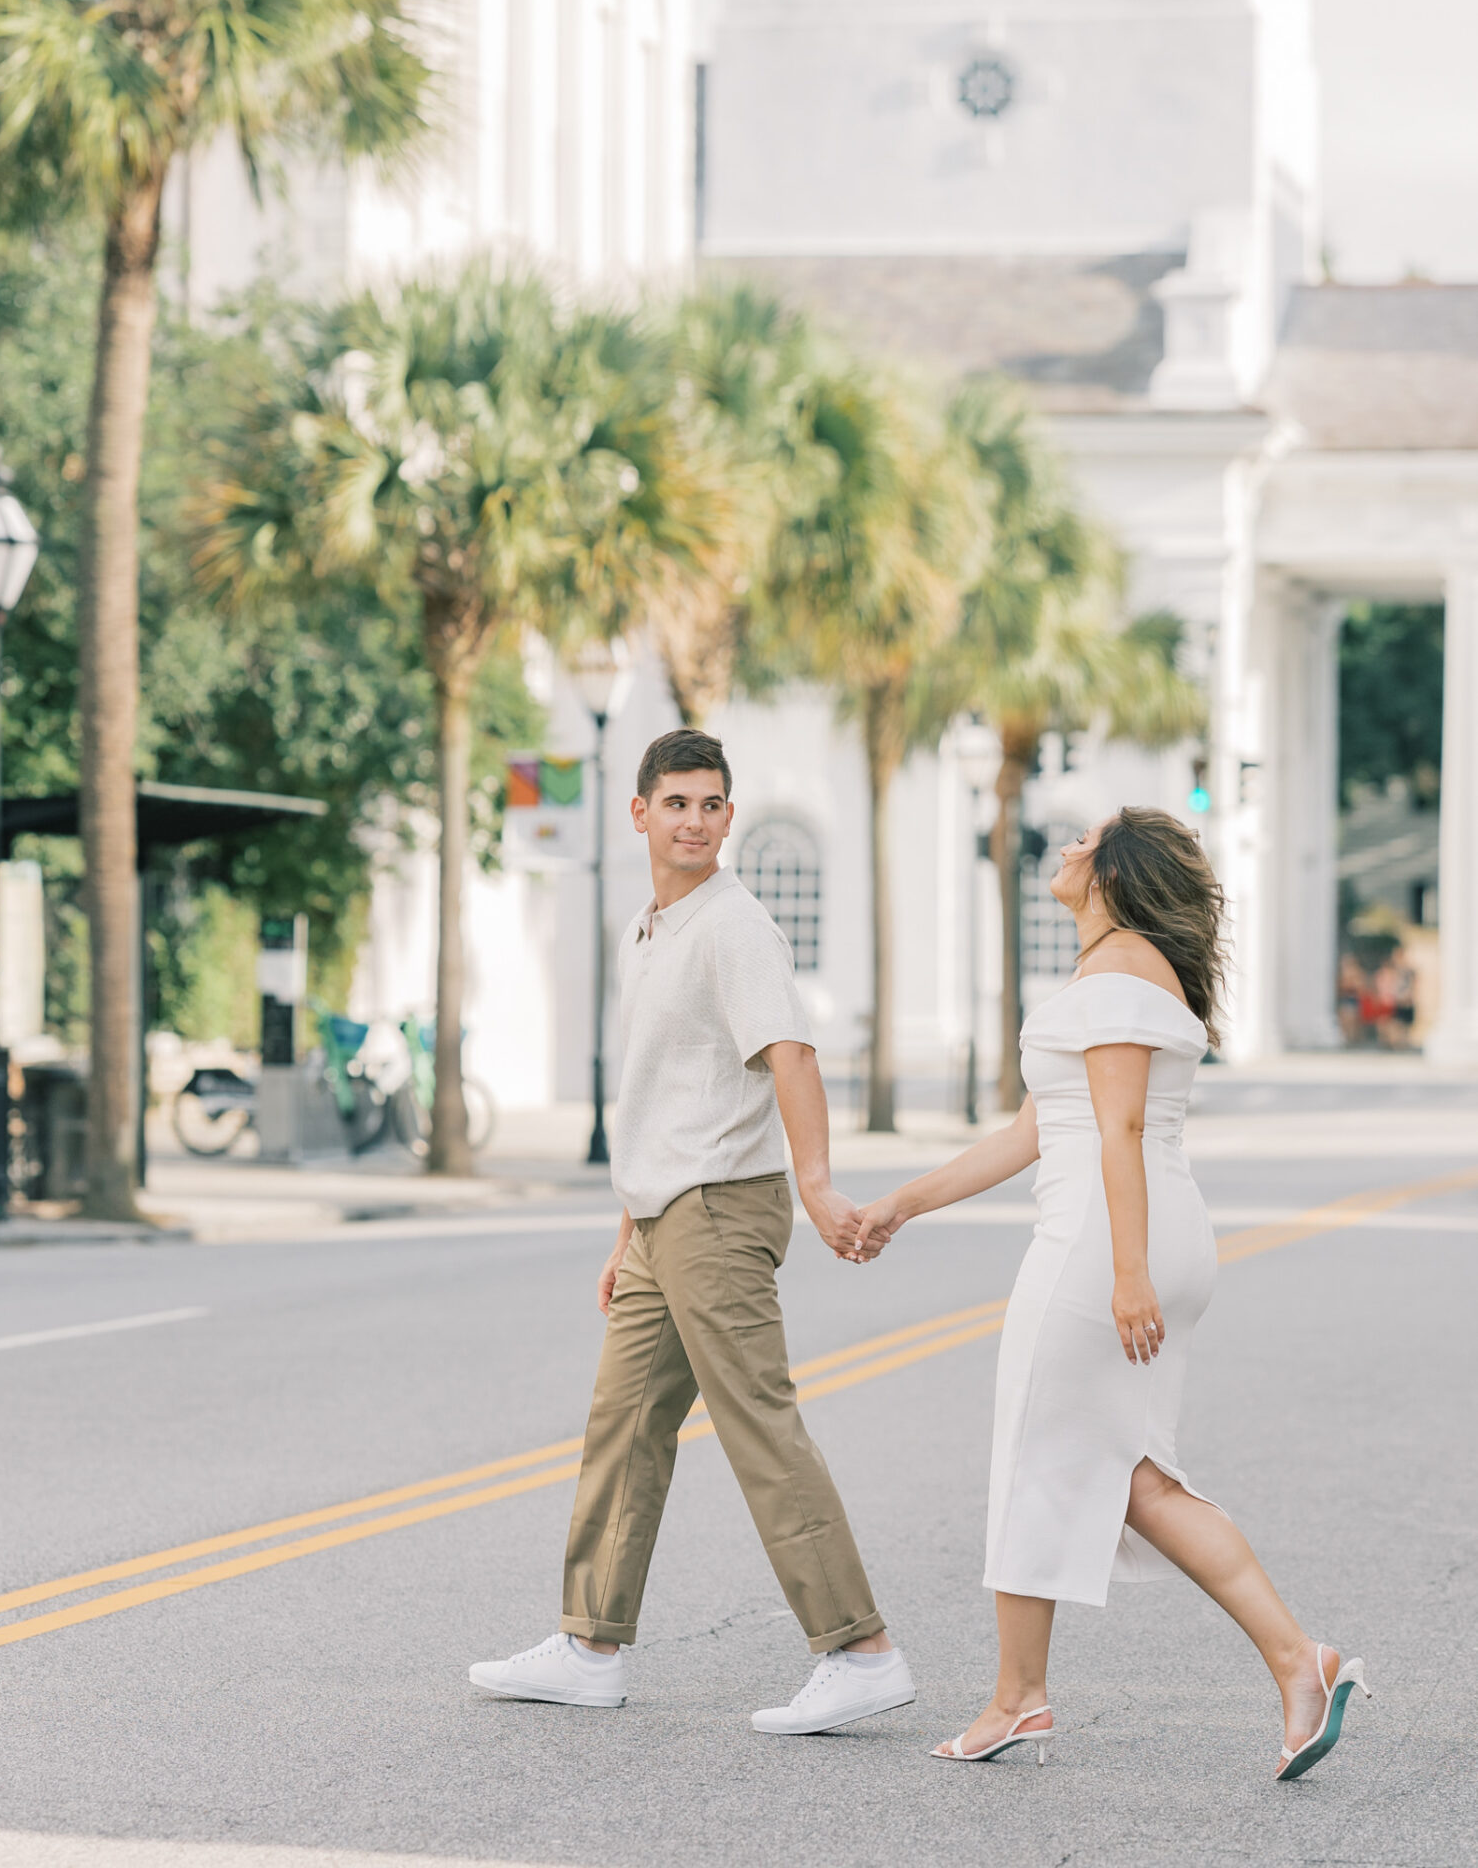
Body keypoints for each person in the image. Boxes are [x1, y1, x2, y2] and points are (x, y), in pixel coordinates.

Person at [849, 806, 1371, 1783]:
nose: (1066, 846)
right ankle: (1297, 1662)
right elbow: (1031, 1132)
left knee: (1036, 1458)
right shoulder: (1118, 970)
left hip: (1101, 1242)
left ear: (1114, 873)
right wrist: (901, 1204)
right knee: (1135, 1477)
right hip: (1135, 1234)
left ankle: (1017, 1698)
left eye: (1085, 841)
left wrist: (1127, 1271)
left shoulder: (1121, 970)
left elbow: (1119, 1130)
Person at [470, 728, 916, 1735]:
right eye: (676, 802)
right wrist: (626, 1226)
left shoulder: (732, 926)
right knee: (623, 1426)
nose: (694, 821)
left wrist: (816, 1186)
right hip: (661, 1215)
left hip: (717, 1209)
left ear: (728, 816)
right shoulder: (652, 929)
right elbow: (663, 1093)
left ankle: (861, 1650)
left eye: (711, 804)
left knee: (756, 1421)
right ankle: (590, 1645)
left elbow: (791, 1056)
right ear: (639, 812)